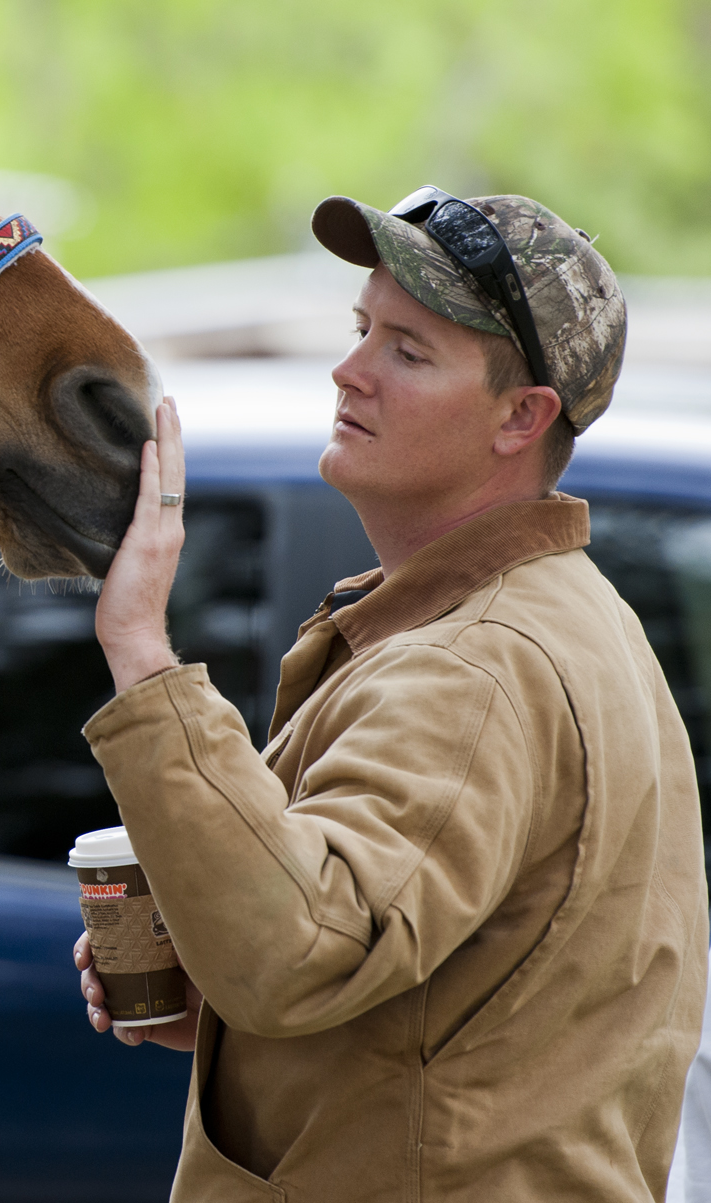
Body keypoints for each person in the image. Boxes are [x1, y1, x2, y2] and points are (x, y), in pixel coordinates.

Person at [76, 189, 706, 1199]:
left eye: (408, 351)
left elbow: (297, 950)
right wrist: (218, 983)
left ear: (521, 416)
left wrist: (142, 650)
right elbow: (442, 982)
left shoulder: (476, 663)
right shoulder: (567, 616)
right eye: (362, 327)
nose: (350, 367)